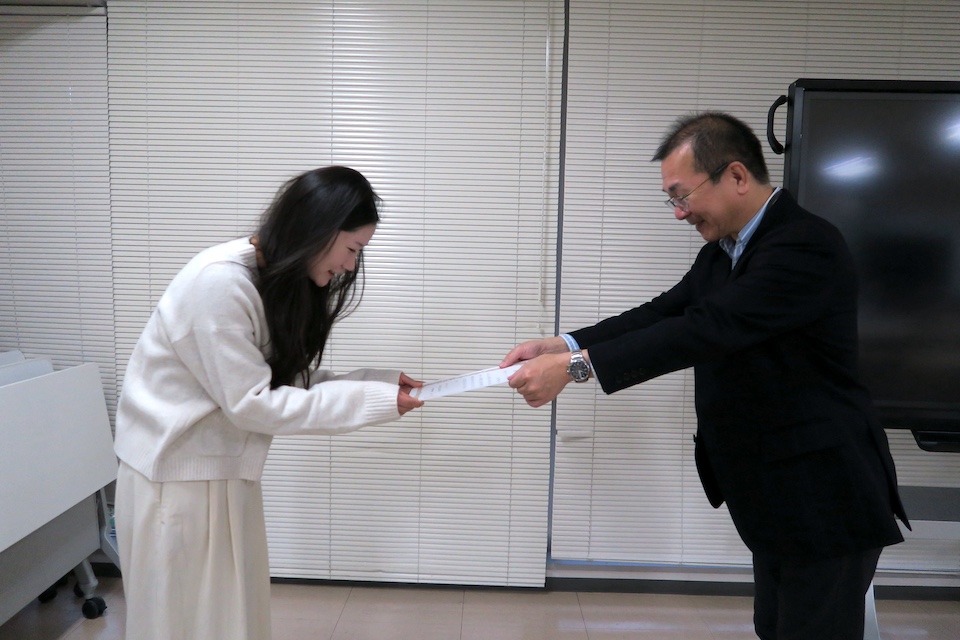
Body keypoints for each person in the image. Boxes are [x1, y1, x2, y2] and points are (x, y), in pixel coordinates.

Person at [501, 112, 910, 639]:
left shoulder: (804, 245)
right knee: (774, 626)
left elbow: (706, 329)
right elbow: (662, 313)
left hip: (825, 495)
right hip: (776, 492)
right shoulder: (721, 254)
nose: (678, 213)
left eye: (682, 195)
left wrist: (575, 368)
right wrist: (563, 343)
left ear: (736, 175)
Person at [113, 166, 424, 640]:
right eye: (352, 248)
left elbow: (278, 380)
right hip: (175, 482)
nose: (350, 266)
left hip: (216, 470)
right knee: (178, 624)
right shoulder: (220, 283)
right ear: (318, 229)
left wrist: (377, 384)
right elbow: (253, 403)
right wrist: (376, 399)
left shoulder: (265, 277)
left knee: (230, 618)